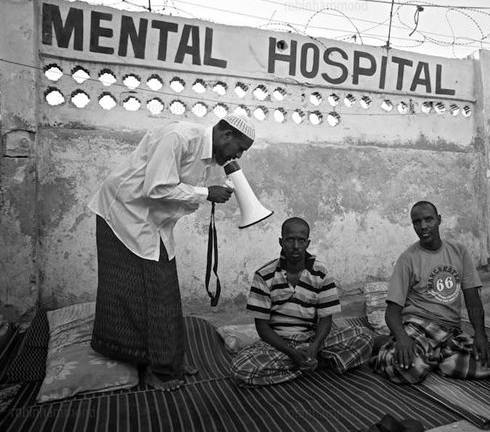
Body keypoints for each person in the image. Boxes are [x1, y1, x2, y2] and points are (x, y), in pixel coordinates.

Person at [88, 113, 256, 391]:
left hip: (151, 222)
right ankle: (155, 366)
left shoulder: (206, 157)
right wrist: (206, 193)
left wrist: (205, 193)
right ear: (226, 135)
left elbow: (175, 193)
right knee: (135, 290)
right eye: (240, 148)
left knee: (163, 291)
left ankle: (169, 358)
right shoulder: (178, 137)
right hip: (121, 213)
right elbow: (157, 188)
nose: (239, 156)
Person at [371, 201, 490, 384]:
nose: (423, 226)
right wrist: (402, 338)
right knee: (406, 370)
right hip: (417, 327)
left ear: (439, 220)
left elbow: (473, 299)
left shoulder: (459, 251)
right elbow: (392, 312)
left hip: (450, 334)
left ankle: (428, 359)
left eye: (429, 219)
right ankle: (396, 351)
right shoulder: (408, 259)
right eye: (417, 222)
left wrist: (481, 336)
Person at [231, 217, 373, 386]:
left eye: (301, 240)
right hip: (279, 344)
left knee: (364, 337)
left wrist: (314, 347)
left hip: (312, 340)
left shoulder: (320, 272)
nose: (296, 246)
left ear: (308, 243)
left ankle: (306, 363)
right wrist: (291, 352)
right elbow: (262, 326)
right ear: (281, 242)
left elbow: (326, 319)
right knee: (241, 369)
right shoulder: (264, 275)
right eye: (290, 240)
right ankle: (312, 365)